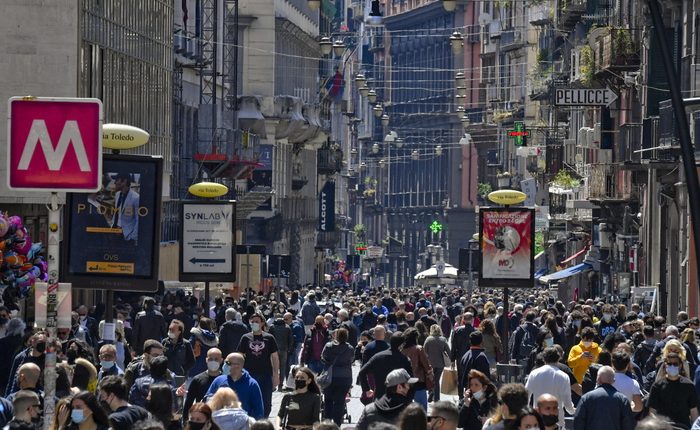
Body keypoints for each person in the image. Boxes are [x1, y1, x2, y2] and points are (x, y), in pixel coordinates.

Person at [237, 313, 280, 418]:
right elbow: (240, 356)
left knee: (266, 403)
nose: (254, 323)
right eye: (252, 321)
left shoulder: (269, 338)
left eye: (257, 321)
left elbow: (275, 358)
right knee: (248, 401)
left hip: (265, 375)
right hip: (249, 375)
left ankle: (263, 423)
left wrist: (276, 375)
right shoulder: (245, 338)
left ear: (262, 323)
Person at [524, 347, 575, 427]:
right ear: (558, 358)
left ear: (544, 358)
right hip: (557, 421)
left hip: (538, 420)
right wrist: (573, 411)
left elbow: (526, 396)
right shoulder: (564, 376)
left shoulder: (534, 373)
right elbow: (568, 404)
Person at [648, 351, 699, 429]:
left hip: (683, 426)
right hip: (664, 427)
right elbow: (652, 412)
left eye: (675, 364)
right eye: (669, 364)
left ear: (680, 365)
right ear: (665, 365)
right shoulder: (657, 386)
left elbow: (694, 411)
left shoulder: (689, 385)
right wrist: (659, 424)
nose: (672, 366)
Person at [573, 366, 635, 430]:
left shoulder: (586, 398)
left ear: (598, 379)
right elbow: (629, 424)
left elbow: (578, 421)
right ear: (613, 381)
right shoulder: (622, 399)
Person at [205, 353, 264, 420]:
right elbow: (207, 400)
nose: (224, 365)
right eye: (225, 362)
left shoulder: (252, 384)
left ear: (237, 366)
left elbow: (259, 411)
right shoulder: (218, 380)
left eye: (228, 363)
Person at [358, 331, 413, 401]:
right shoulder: (404, 359)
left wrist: (367, 389)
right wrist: (409, 397)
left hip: (379, 397)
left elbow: (362, 372)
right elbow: (410, 380)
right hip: (398, 399)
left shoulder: (377, 357)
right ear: (402, 345)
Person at [320, 328, 354, 425]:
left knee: (328, 400)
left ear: (336, 336)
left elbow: (322, 358)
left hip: (330, 377)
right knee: (340, 401)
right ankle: (337, 424)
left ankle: (327, 423)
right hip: (345, 377)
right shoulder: (350, 348)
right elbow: (351, 360)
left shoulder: (329, 346)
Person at [182, 348, 223, 423]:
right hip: (202, 420)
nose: (213, 361)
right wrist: (185, 422)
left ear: (221, 360)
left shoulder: (225, 380)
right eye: (210, 359)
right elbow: (188, 403)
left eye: (216, 359)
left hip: (220, 421)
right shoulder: (197, 379)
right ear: (206, 360)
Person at [6, 331, 49, 397]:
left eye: (45, 343)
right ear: (33, 342)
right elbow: (12, 380)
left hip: (37, 397)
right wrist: (8, 399)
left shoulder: (47, 360)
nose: (43, 344)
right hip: (19, 395)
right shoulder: (20, 357)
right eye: (41, 342)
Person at [401, 327, 433, 410]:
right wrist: (431, 375)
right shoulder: (419, 349)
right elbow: (426, 365)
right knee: (422, 408)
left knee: (407, 408)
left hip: (404, 382)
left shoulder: (401, 350)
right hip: (418, 381)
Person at [423, 324, 450, 403]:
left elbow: (424, 352)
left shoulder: (428, 339)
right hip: (440, 364)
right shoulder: (443, 339)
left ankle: (431, 392)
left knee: (431, 380)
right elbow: (448, 351)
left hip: (430, 364)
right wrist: (451, 361)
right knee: (437, 380)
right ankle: (437, 399)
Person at [458, 331, 490, 397]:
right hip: (478, 393)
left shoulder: (465, 355)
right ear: (481, 342)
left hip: (468, 391)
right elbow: (486, 378)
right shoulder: (481, 357)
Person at [111, 172, 140, 243]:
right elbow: (117, 213)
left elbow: (138, 220)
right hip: (114, 232)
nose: (115, 183)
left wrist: (133, 238)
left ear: (124, 181)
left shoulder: (135, 198)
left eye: (117, 180)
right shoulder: (117, 194)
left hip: (126, 236)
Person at [268, 314, 293, 391]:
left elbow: (269, 338)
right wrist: (289, 349)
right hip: (284, 350)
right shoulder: (287, 327)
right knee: (282, 368)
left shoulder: (272, 327)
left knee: (273, 368)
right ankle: (280, 385)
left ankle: (273, 385)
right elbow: (291, 340)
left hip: (273, 351)